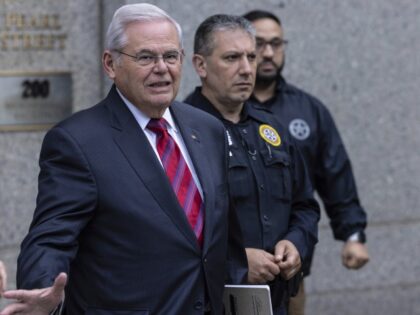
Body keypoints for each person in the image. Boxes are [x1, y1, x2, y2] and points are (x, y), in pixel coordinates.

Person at [0, 4, 248, 315]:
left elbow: (225, 235)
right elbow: (51, 238)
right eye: (145, 57)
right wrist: (42, 290)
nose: (162, 67)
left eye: (171, 56)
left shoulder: (207, 129)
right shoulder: (78, 141)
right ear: (110, 64)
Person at [185, 14, 320, 315]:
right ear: (200, 65)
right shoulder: (180, 133)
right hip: (209, 303)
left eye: (251, 57)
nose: (246, 69)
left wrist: (296, 243)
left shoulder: (271, 129)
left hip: (275, 301)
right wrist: (237, 263)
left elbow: (305, 205)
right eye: (232, 58)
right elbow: (168, 234)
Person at [242, 10, 369, 315]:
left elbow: (335, 173)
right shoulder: (212, 111)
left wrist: (353, 235)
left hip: (290, 271)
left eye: (277, 43)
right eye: (259, 44)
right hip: (228, 270)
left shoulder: (307, 110)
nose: (269, 53)